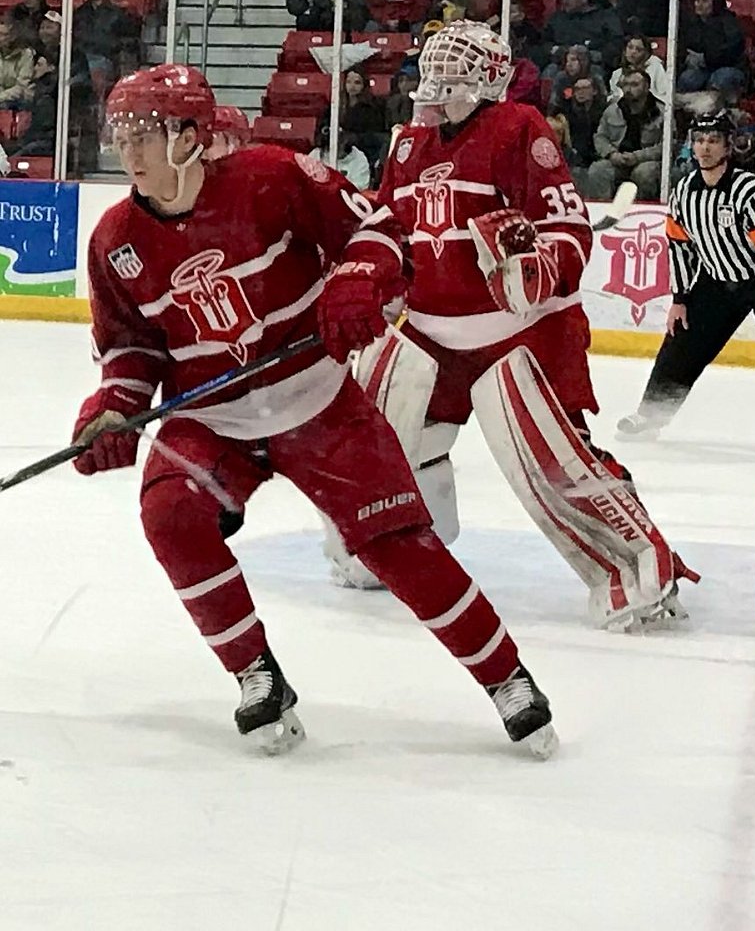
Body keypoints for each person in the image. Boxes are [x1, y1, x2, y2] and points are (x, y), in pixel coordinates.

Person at [73, 63, 555, 756]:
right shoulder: (115, 239)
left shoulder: (272, 177)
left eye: (143, 134)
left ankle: (506, 676)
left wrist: (358, 280)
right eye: (120, 136)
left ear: (189, 135)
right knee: (171, 515)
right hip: (214, 421)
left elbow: (380, 229)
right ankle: (255, 674)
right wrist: (113, 408)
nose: (128, 153)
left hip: (317, 400)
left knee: (399, 546)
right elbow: (130, 349)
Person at [350, 21, 698, 627]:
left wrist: (539, 263)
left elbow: (568, 227)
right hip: (431, 331)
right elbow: (388, 228)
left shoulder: (519, 130)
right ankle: (398, 541)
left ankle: (639, 564)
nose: (438, 83)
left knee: (552, 457)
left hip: (520, 332)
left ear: (487, 81)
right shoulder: (407, 143)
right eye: (434, 71)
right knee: (380, 425)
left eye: (454, 73)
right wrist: (369, 281)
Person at [617, 110, 755, 445]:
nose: (705, 148)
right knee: (681, 344)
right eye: (699, 140)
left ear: (728, 147)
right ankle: (650, 418)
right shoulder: (683, 193)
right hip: (715, 282)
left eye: (713, 141)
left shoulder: (749, 190)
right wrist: (680, 299)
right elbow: (679, 247)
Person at [587, 69, 664, 200]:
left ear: (647, 87)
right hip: (618, 158)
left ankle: (643, 212)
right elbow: (600, 137)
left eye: (634, 85)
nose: (628, 89)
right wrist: (611, 154)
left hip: (647, 161)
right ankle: (602, 211)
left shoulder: (662, 112)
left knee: (644, 173)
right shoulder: (612, 110)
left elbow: (668, 145)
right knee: (598, 169)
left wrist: (637, 157)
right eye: (625, 85)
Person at [676, 0, 748, 98]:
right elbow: (685, 46)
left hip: (730, 67)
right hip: (703, 69)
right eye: (697, 0)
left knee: (720, 78)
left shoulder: (729, 23)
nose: (699, 5)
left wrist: (706, 59)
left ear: (715, 4)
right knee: (687, 79)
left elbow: (731, 51)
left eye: (704, 1)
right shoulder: (692, 24)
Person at [72, 0, 141, 84]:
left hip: (106, 59)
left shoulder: (117, 14)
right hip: (81, 59)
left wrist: (112, 45)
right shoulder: (80, 13)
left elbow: (129, 39)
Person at [609, 34, 668, 106]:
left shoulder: (655, 67)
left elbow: (665, 94)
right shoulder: (617, 74)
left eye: (638, 49)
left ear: (646, 53)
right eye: (630, 47)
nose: (633, 52)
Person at [0, 21, 35, 111]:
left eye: (5, 35)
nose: (1, 38)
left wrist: (2, 97)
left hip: (20, 100)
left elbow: (22, 86)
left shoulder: (26, 54)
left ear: (14, 36)